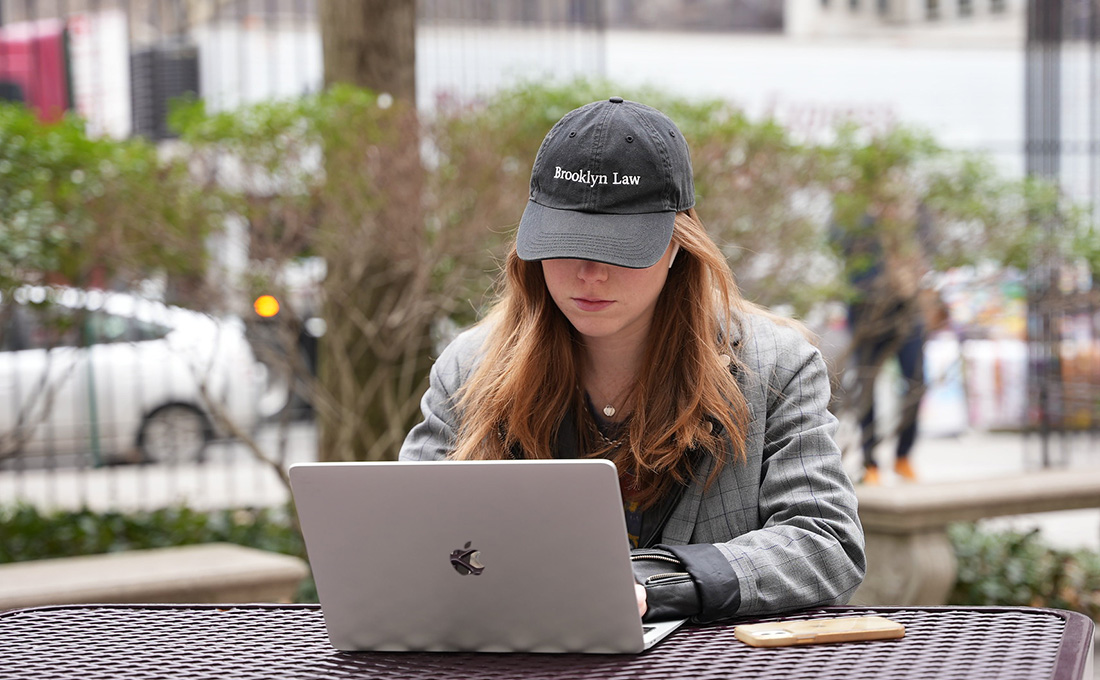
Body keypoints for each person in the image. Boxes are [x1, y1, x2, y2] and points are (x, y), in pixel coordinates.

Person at [399, 97, 865, 623]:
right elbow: (409, 538)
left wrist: (655, 586)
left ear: (677, 246)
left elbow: (826, 544)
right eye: (567, 242)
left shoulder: (775, 367)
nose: (590, 273)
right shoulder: (470, 369)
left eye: (622, 248)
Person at [836, 213, 931, 486]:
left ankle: (903, 455)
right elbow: (838, 242)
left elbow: (930, 245)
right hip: (867, 306)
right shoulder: (854, 209)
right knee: (867, 383)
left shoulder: (914, 209)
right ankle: (870, 462)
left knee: (917, 381)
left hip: (907, 304)